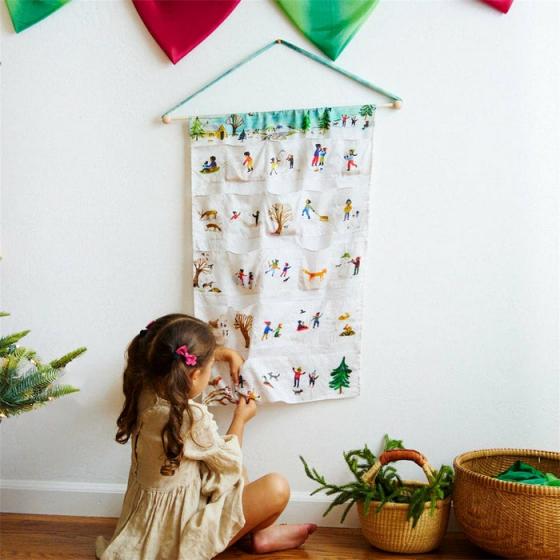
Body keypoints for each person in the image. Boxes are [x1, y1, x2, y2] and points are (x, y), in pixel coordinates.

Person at [96, 314, 316, 559]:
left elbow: (178, 355)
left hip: (151, 515)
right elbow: (230, 461)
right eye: (210, 366)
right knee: (276, 487)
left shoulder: (143, 387)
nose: (212, 370)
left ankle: (256, 536)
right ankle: (254, 537)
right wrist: (240, 419)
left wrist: (224, 354)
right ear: (193, 375)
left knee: (238, 479)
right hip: (180, 533)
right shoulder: (190, 417)